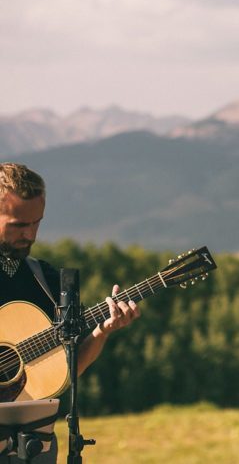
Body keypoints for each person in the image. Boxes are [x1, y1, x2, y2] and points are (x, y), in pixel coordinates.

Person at [0, 163, 139, 464]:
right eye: (17, 225)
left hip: (33, 446)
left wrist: (102, 331)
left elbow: (65, 372)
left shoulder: (46, 280)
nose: (30, 234)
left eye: (36, 223)